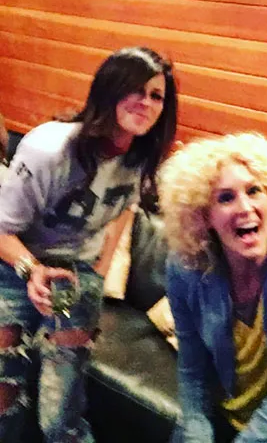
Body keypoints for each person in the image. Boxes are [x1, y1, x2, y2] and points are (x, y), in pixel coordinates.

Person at [0, 46, 178, 442]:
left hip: (75, 276)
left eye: (156, 96)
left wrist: (98, 272)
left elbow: (124, 209)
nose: (146, 103)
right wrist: (32, 270)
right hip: (15, 267)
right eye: (135, 89)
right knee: (4, 396)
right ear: (109, 89)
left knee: (60, 411)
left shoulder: (141, 157)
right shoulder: (49, 150)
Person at [158, 132, 267, 443]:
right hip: (226, 405)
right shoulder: (184, 268)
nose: (245, 207)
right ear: (204, 216)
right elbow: (192, 368)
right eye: (226, 198)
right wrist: (197, 431)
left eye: (254, 190)